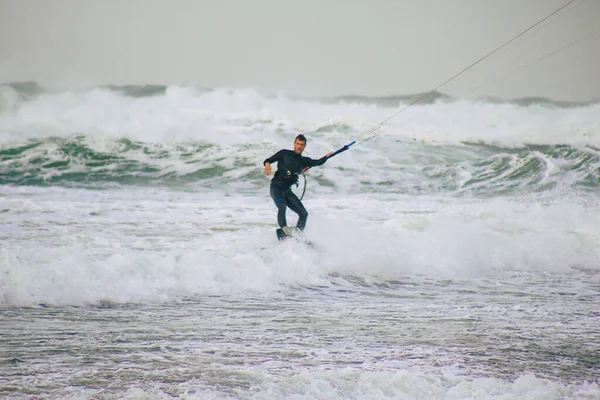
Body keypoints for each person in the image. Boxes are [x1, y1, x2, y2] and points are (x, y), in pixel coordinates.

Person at [263, 134, 334, 234]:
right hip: (276, 187)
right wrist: (267, 166)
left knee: (303, 213)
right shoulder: (284, 153)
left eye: (302, 144)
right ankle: (285, 231)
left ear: (305, 146)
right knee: (282, 206)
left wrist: (327, 156)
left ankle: (297, 235)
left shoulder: (304, 161)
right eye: (298, 143)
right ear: (294, 144)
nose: (299, 146)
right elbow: (268, 160)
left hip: (287, 191)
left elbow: (318, 162)